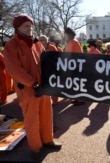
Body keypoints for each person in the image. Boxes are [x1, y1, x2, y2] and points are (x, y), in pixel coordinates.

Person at [3, 14, 61, 158]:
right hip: (28, 89)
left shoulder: (37, 43)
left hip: (43, 87)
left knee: (47, 114)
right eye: (26, 26)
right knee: (32, 119)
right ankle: (35, 148)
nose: (30, 28)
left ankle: (48, 140)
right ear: (17, 28)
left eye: (31, 26)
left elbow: (45, 62)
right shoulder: (11, 45)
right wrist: (32, 82)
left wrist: (52, 77)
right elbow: (14, 69)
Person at [39, 35, 59, 106]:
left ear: (47, 40)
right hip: (43, 70)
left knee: (53, 85)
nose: (41, 41)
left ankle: (55, 101)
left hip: (52, 69)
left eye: (43, 40)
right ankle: (46, 100)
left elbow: (57, 57)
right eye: (40, 40)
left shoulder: (52, 47)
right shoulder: (38, 48)